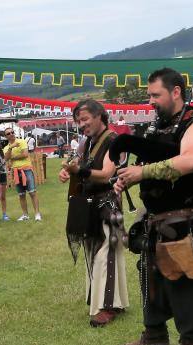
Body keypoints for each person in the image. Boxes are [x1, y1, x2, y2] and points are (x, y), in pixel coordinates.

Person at [113, 68, 193, 345]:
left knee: (184, 281)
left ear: (176, 92)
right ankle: (155, 334)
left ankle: (191, 344)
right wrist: (128, 177)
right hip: (156, 219)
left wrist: (141, 171)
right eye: (149, 95)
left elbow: (192, 161)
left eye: (155, 95)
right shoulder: (159, 127)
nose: (151, 101)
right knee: (152, 278)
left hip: (185, 219)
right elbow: (153, 160)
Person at [59, 99, 129, 327]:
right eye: (78, 121)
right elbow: (75, 162)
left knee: (105, 255)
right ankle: (107, 302)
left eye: (85, 119)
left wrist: (79, 170)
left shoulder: (113, 140)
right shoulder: (87, 142)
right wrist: (67, 171)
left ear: (100, 116)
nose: (82, 124)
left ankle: (108, 307)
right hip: (90, 204)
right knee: (94, 253)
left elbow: (107, 173)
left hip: (107, 204)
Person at [3, 128, 42, 222]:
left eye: (12, 132)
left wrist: (13, 157)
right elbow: (6, 158)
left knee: (32, 192)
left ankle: (37, 214)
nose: (11, 134)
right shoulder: (6, 148)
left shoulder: (22, 141)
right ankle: (25, 215)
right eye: (9, 133)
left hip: (26, 169)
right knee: (21, 194)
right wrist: (11, 147)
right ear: (6, 136)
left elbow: (25, 154)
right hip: (16, 171)